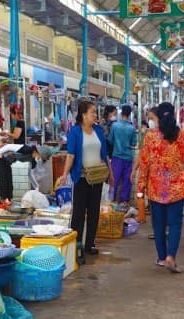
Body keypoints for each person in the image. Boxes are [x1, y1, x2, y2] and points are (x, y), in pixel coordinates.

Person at [136, 102, 184, 273]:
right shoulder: (183, 136)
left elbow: (144, 164)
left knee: (159, 225)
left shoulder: (150, 136)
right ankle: (171, 256)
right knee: (176, 224)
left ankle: (162, 258)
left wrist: (140, 188)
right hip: (177, 188)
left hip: (156, 188)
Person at [59, 100, 112, 263]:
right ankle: (77, 246)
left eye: (95, 112)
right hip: (81, 178)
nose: (95, 115)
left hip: (97, 177)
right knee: (78, 214)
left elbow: (104, 154)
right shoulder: (75, 132)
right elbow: (71, 155)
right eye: (92, 112)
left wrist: (111, 173)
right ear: (83, 115)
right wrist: (64, 174)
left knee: (94, 211)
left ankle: (90, 243)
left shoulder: (98, 130)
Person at [107, 105, 137, 204]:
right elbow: (133, 143)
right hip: (128, 157)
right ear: (129, 115)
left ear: (121, 113)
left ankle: (112, 200)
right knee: (127, 181)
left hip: (117, 157)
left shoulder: (114, 126)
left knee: (114, 179)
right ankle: (124, 202)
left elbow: (110, 140)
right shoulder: (132, 128)